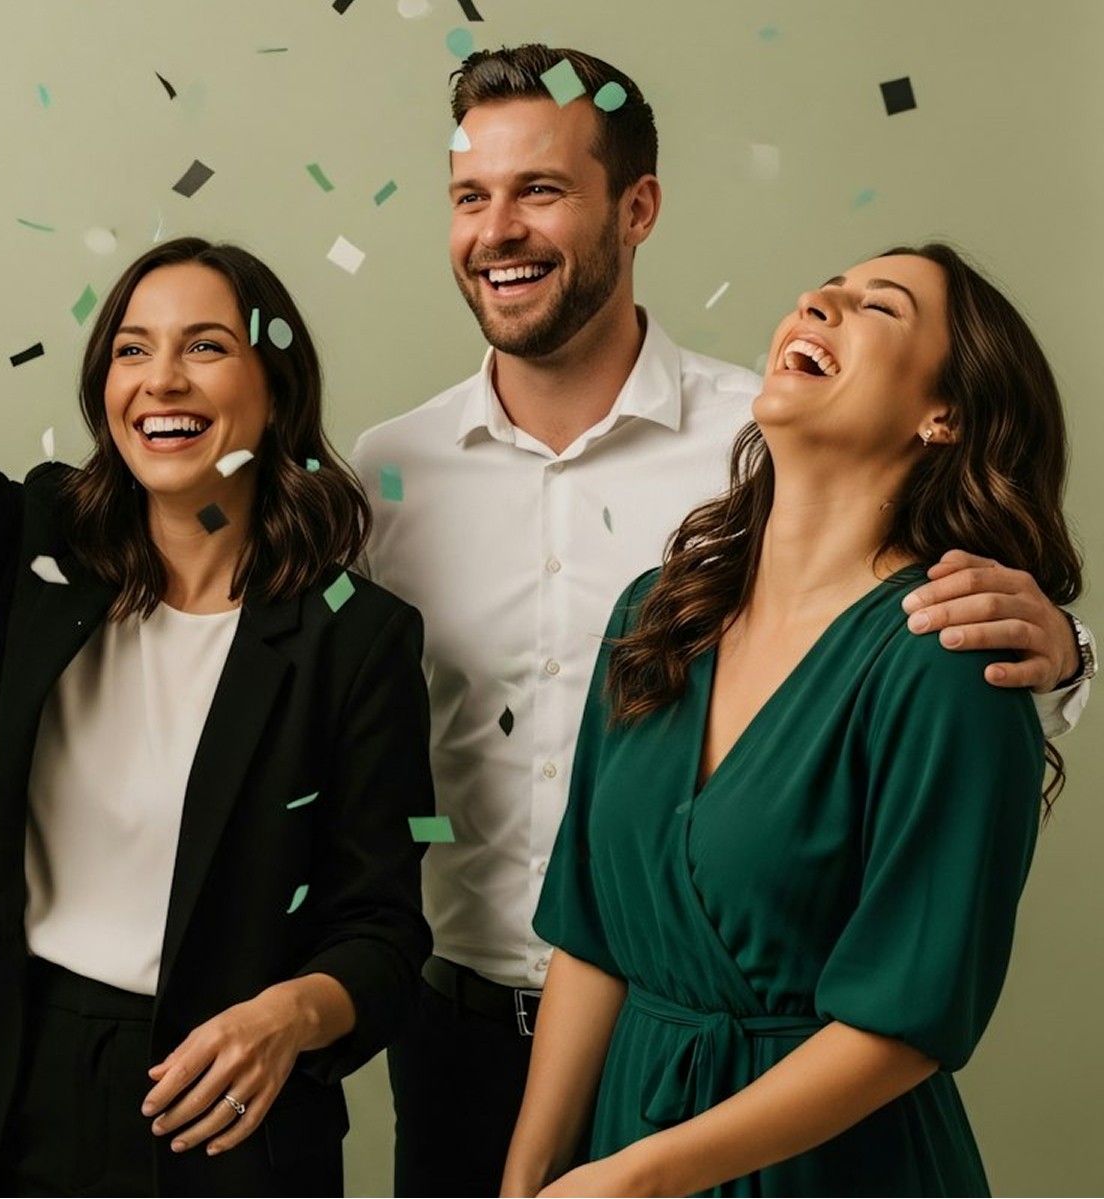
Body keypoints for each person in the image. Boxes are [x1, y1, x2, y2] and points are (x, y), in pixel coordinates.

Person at [349, 44, 1093, 1196]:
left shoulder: (779, 436)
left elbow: (964, 709)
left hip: (787, 1127)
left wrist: (1071, 653)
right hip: (472, 1035)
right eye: (470, 195)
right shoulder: (398, 479)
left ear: (635, 207)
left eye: (540, 189)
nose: (498, 228)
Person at [0, 6, 433, 1194]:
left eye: (205, 347)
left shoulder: (358, 639)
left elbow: (385, 932)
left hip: (209, 1110)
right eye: (132, 348)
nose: (161, 379)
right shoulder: (45, 547)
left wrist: (294, 1013)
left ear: (273, 386)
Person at [502, 244, 1080, 1196]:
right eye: (828, 289)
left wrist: (644, 1177)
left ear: (945, 415)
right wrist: (525, 1179)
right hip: (625, 1147)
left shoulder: (949, 662)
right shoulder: (657, 617)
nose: (819, 301)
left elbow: (905, 1025)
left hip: (829, 1169)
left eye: (877, 306)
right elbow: (594, 938)